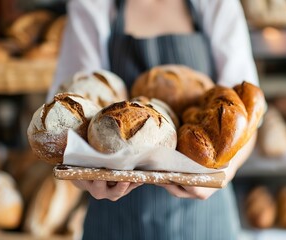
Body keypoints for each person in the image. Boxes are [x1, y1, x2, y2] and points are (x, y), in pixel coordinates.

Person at [48, 0, 259, 239]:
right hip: (115, 217)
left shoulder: (215, 3)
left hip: (203, 218)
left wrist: (221, 175)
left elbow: (244, 123)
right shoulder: (92, 4)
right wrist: (84, 178)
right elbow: (72, 117)